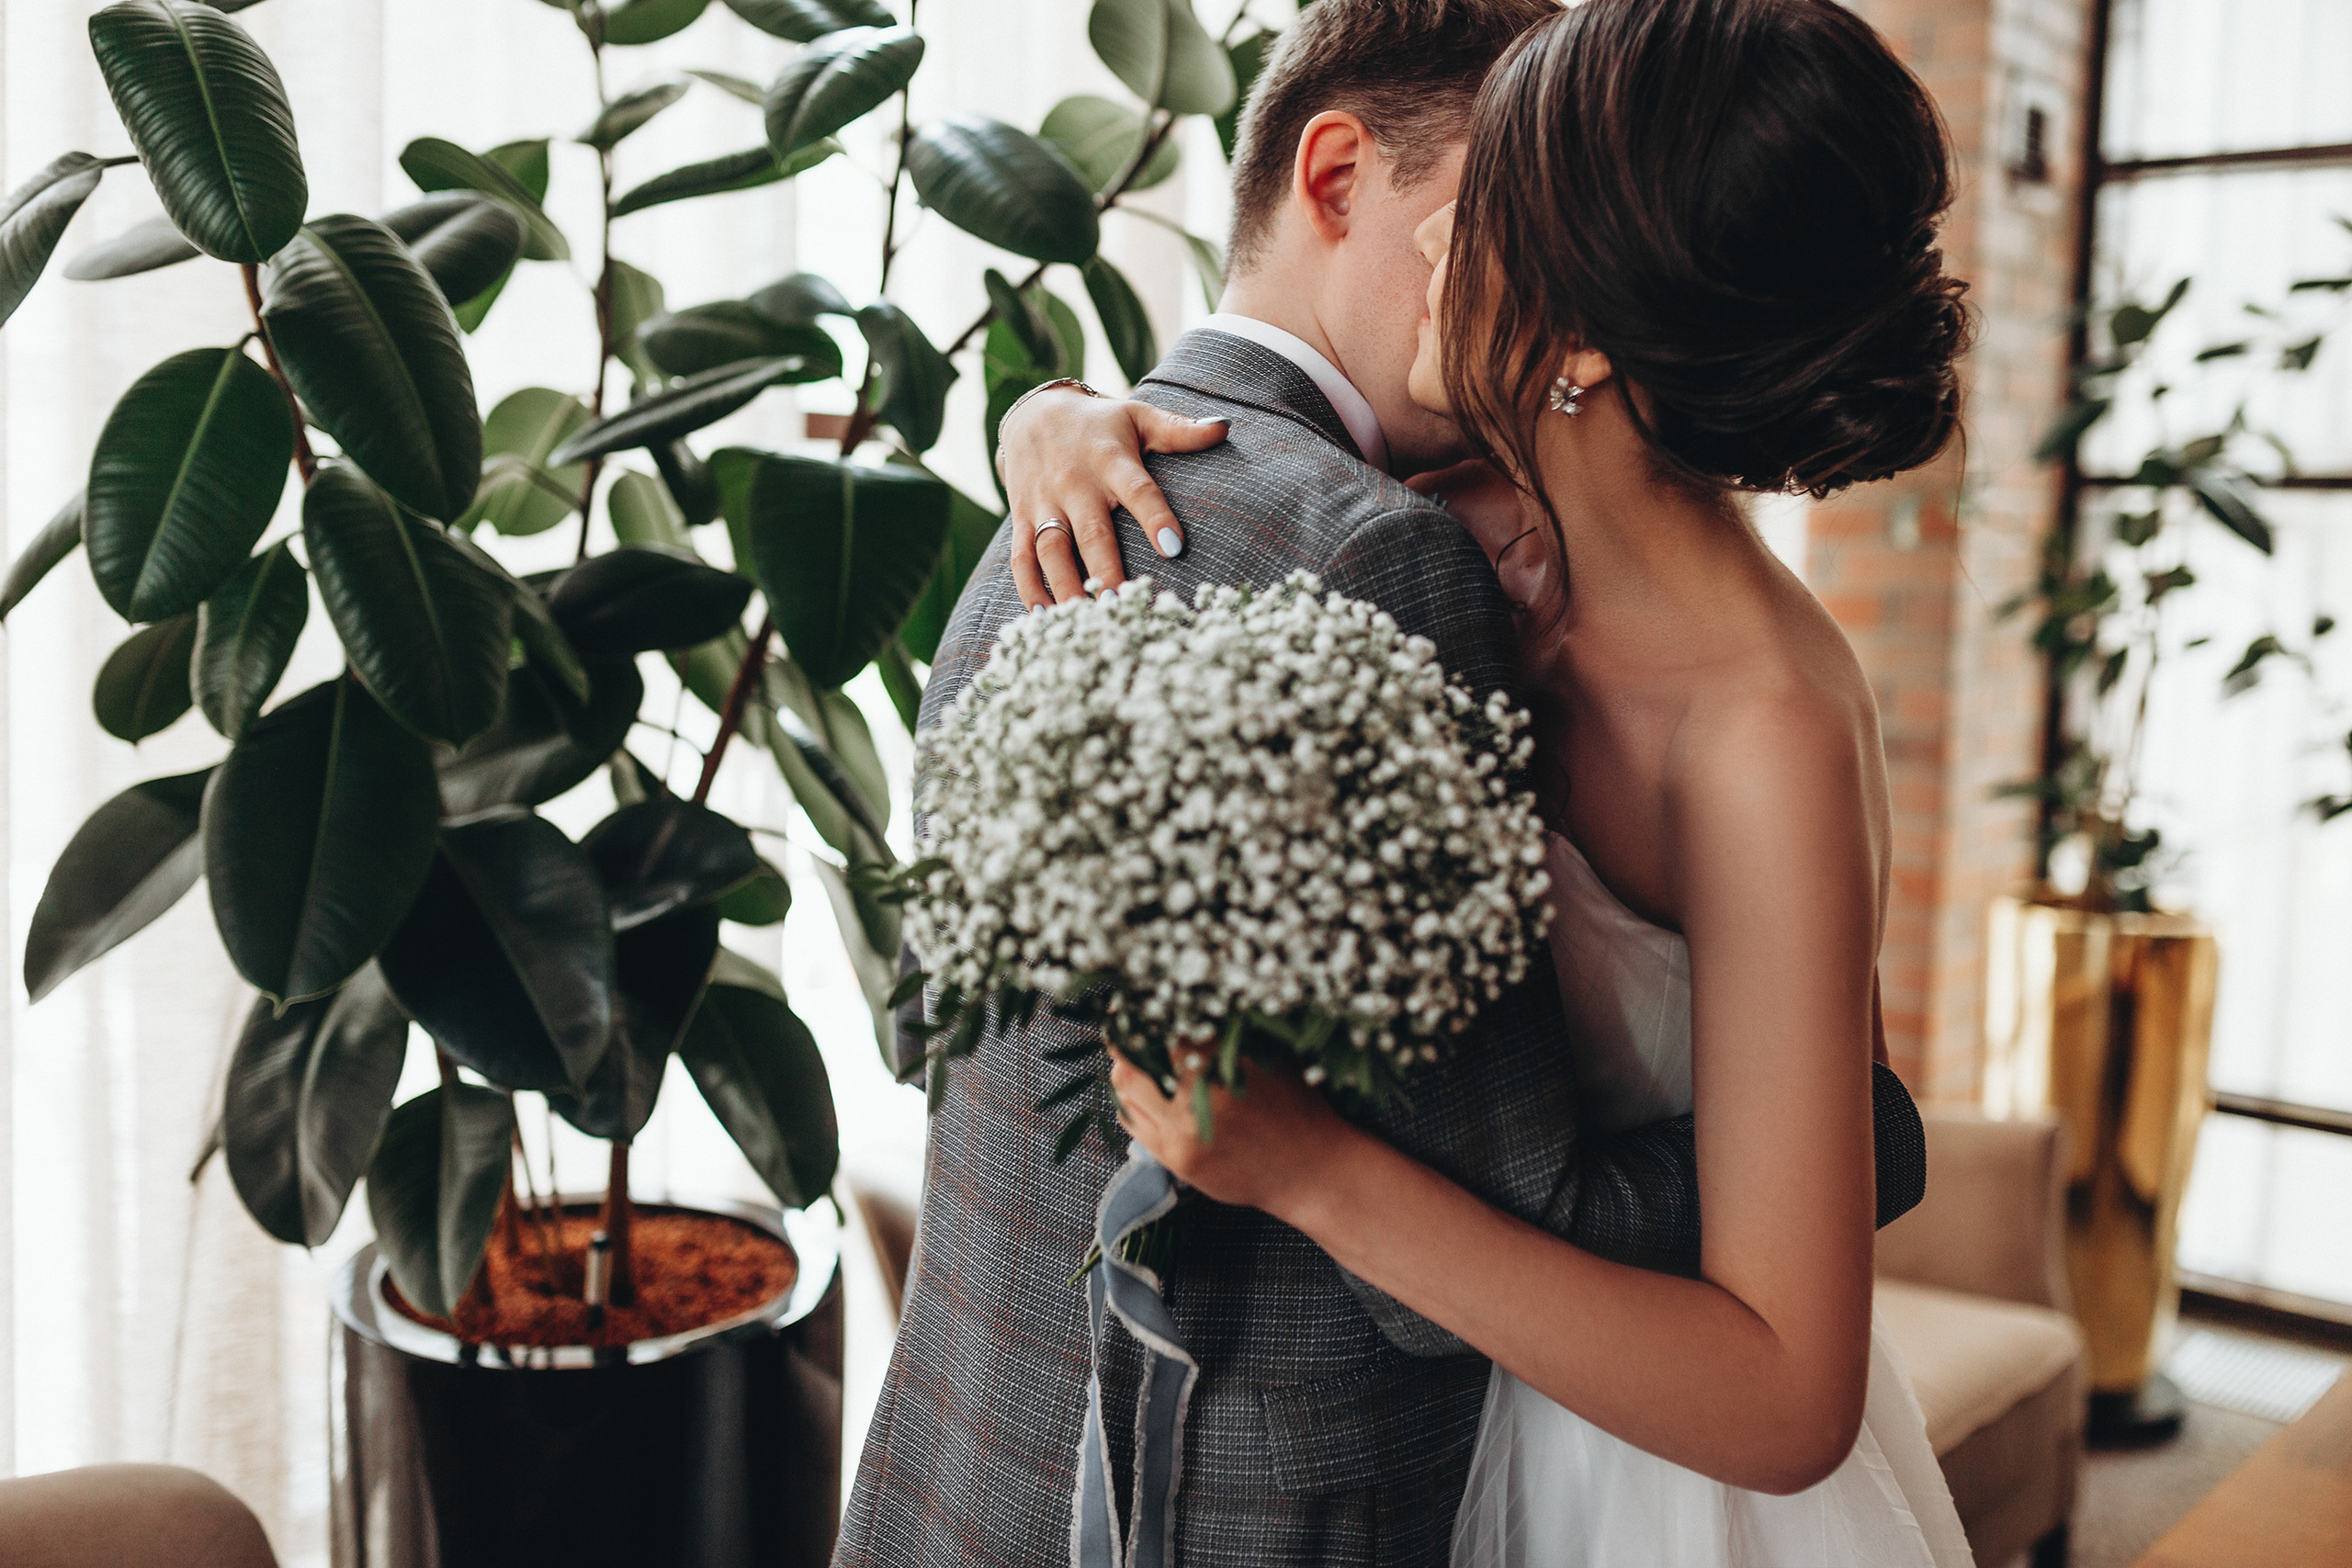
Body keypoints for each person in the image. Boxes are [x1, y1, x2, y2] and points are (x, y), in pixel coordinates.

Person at [838, 3, 1929, 1565]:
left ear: (1593, 309)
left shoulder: (1730, 703)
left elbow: (1757, 1353)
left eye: (1495, 221)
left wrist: (1315, 1171)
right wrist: (1046, 410)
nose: (1440, 265)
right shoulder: (1420, 529)